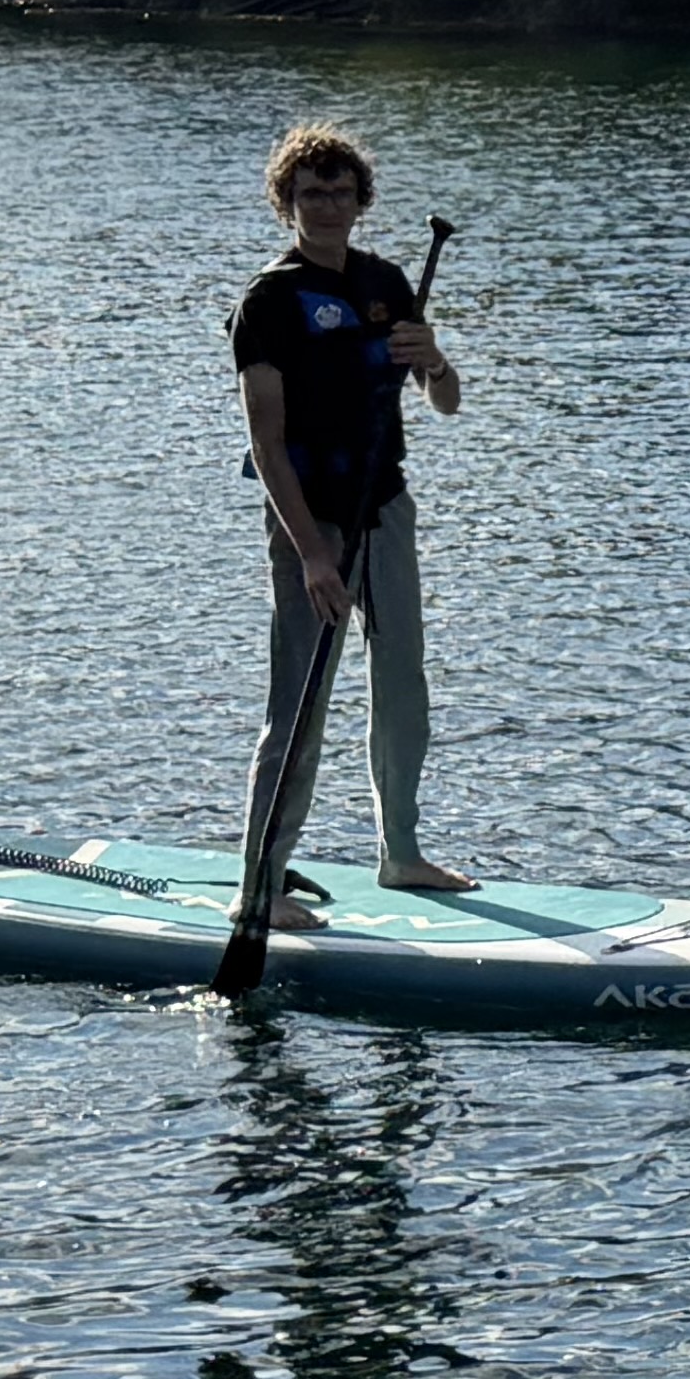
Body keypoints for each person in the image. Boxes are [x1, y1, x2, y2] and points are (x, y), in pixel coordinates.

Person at [231, 121, 470, 922]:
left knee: (403, 685)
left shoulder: (386, 282)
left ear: (361, 201)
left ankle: (401, 854)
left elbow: (446, 401)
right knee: (299, 704)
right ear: (287, 203)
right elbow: (266, 444)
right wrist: (311, 555)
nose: (327, 206)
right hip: (311, 518)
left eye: (340, 192)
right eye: (311, 193)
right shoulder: (268, 302)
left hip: (384, 507)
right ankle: (259, 887)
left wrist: (433, 358)